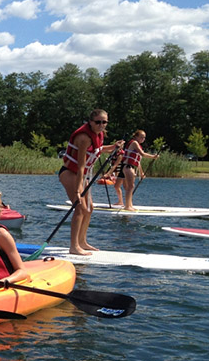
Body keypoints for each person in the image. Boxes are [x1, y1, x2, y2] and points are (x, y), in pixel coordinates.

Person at [58, 109, 124, 255]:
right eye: (98, 122)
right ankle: (74, 246)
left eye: (104, 122)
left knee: (90, 208)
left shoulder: (98, 135)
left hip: (82, 176)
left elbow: (98, 150)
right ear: (90, 122)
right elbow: (81, 165)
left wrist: (113, 147)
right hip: (71, 173)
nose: (101, 125)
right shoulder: (84, 138)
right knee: (80, 207)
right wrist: (77, 190)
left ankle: (82, 241)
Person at [122, 130, 159, 211]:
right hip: (128, 167)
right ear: (136, 136)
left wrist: (141, 173)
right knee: (130, 186)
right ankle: (127, 206)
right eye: (141, 137)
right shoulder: (134, 143)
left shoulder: (138, 146)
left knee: (131, 186)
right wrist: (153, 156)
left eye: (144, 137)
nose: (143, 139)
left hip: (132, 167)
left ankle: (130, 205)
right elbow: (142, 154)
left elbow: (138, 162)